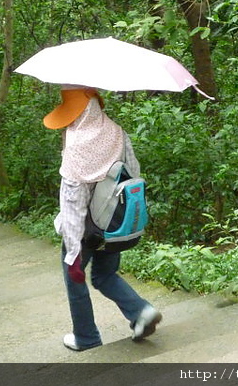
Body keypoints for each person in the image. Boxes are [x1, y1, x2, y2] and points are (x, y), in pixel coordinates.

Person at [46, 86, 162, 352]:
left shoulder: (76, 146)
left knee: (76, 280)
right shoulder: (117, 132)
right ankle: (141, 311)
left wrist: (74, 252)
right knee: (105, 274)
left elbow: (73, 204)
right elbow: (133, 172)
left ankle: (86, 338)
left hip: (86, 231)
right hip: (114, 222)